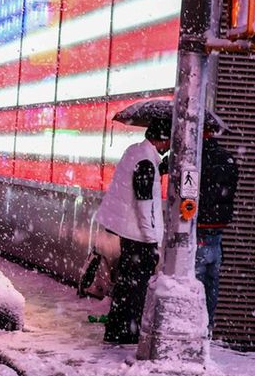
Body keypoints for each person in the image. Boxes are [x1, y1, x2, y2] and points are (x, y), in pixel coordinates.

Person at [98, 119, 170, 344]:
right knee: (136, 289)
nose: (169, 145)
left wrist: (161, 168)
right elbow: (144, 204)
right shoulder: (146, 162)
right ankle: (129, 332)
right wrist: (152, 240)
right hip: (139, 236)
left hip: (128, 234)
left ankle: (117, 329)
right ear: (161, 139)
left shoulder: (135, 152)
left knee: (125, 284)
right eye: (168, 140)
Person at [163, 120, 239, 330]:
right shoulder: (228, 158)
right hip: (218, 228)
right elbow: (227, 193)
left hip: (198, 227)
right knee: (211, 281)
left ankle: (193, 327)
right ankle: (207, 326)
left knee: (193, 281)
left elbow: (189, 193)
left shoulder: (193, 159)